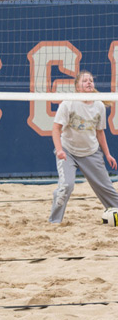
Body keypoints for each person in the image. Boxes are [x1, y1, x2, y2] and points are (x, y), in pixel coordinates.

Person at [49, 70, 118, 223]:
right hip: (68, 152)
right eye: (85, 81)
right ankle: (54, 222)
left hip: (91, 153)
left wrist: (107, 154)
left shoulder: (99, 105)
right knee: (66, 186)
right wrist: (59, 150)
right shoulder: (69, 103)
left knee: (108, 189)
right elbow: (56, 129)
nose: (89, 83)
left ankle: (115, 213)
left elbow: (100, 132)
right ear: (77, 87)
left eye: (91, 81)